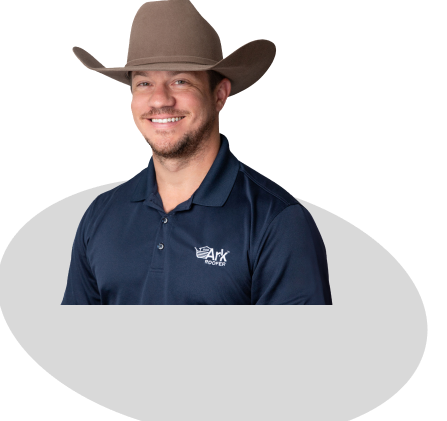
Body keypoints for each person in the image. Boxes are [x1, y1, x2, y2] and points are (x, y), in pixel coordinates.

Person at [64, 0, 332, 305]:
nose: (159, 99)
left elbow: (303, 350)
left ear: (219, 95)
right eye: (144, 83)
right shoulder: (101, 215)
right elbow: (73, 346)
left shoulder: (277, 221)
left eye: (180, 80)